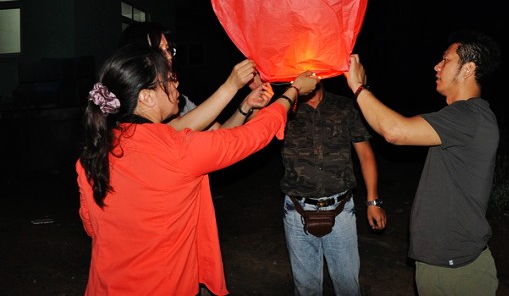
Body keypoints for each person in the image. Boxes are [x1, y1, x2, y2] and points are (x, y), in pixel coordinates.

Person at [76, 44, 318, 296]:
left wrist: (245, 107)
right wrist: (293, 92)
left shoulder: (93, 155)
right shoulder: (176, 149)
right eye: (169, 79)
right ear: (146, 96)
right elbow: (251, 137)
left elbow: (92, 228)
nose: (176, 84)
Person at [344, 30, 501, 296]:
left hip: (457, 271)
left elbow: (395, 131)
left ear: (468, 69)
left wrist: (357, 87)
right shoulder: (462, 116)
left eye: (446, 60)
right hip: (444, 263)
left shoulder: (469, 116)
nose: (437, 66)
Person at [280, 80, 387, 295]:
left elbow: (365, 155)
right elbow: (251, 131)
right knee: (305, 288)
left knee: (348, 285)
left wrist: (373, 201)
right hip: (296, 210)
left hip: (341, 210)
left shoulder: (345, 107)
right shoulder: (283, 109)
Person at [119, 21, 267, 131]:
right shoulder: (131, 103)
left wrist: (248, 104)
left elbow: (220, 134)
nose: (169, 57)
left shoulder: (178, 99)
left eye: (168, 49)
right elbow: (172, 131)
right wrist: (231, 85)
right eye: (160, 51)